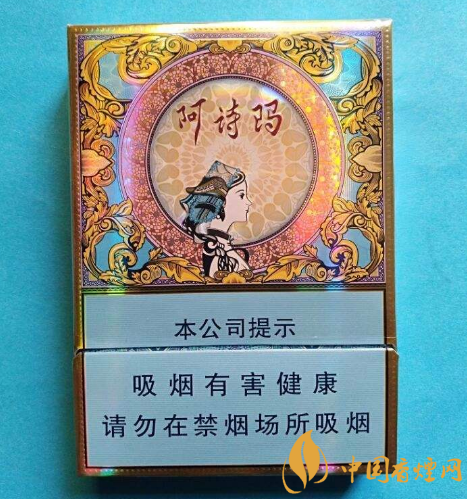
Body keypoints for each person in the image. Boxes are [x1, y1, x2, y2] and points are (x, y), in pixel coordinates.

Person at [180, 160, 252, 278]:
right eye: (241, 195)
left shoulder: (219, 247)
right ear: (221, 203)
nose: (249, 202)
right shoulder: (220, 255)